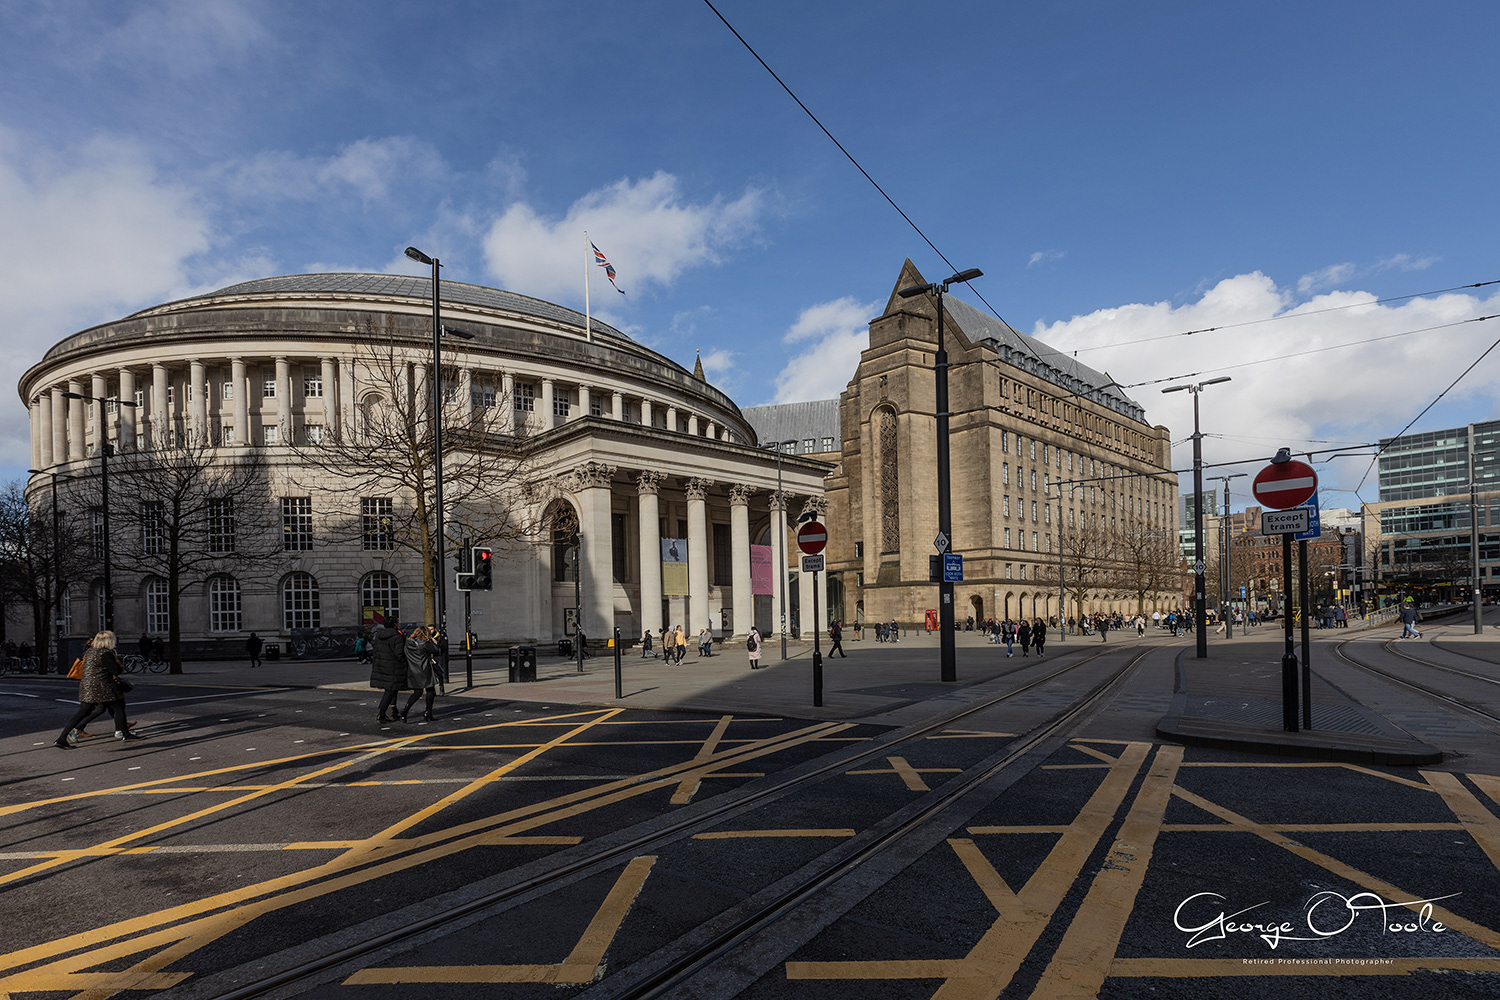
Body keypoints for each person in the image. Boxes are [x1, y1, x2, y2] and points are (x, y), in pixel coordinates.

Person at [55, 631, 138, 748]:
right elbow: (115, 670)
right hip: (101, 686)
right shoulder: (105, 653)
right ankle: (125, 734)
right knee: (118, 707)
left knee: (84, 712)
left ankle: (62, 738)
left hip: (87, 686)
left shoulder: (90, 651)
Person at [401, 626, 441, 722]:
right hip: (424, 669)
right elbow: (436, 651)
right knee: (430, 690)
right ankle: (428, 712)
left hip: (413, 669)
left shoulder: (408, 643)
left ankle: (405, 710)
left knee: (417, 692)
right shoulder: (424, 643)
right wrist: (434, 643)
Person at [369, 620, 407, 723]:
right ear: (395, 624)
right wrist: (405, 664)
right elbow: (399, 654)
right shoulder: (397, 637)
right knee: (390, 691)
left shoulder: (379, 636)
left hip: (382, 666)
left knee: (392, 689)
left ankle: (394, 710)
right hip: (394, 666)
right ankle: (381, 714)